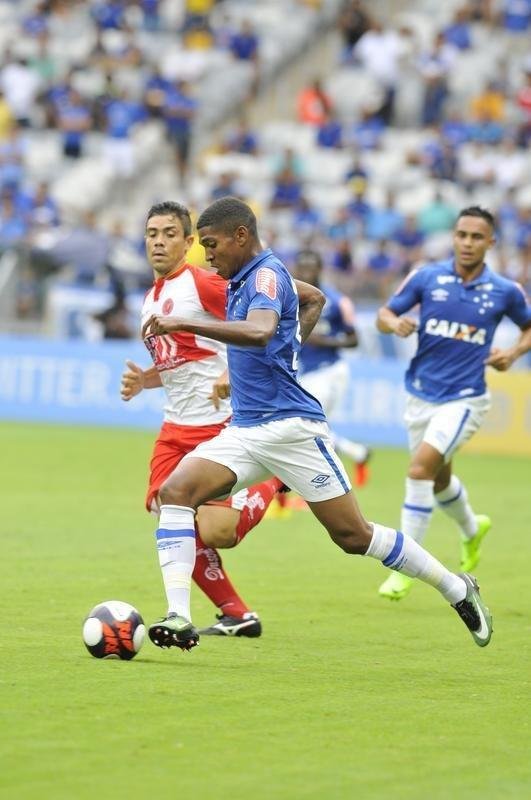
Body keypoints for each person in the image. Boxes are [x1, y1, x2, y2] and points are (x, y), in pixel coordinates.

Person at [141, 196, 494, 653]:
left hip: (291, 429)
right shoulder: (241, 275)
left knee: (354, 536)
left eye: (211, 245)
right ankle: (180, 616)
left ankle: (456, 588)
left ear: (240, 237)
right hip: (244, 431)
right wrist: (292, 348)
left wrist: (184, 323)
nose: (207, 255)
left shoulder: (264, 274)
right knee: (175, 493)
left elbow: (261, 329)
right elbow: (314, 298)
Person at [121, 200, 320, 637]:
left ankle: (270, 478)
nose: (159, 241)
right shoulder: (151, 298)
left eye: (170, 234)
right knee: (170, 519)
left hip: (218, 426)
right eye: (152, 233)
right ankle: (235, 614)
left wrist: (241, 367)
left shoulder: (203, 283)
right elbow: (187, 360)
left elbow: (292, 300)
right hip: (175, 429)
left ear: (189, 242)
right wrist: (147, 380)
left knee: (217, 531)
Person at [376, 206, 531, 600]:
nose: (467, 243)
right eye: (462, 235)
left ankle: (405, 568)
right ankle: (471, 528)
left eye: (477, 237)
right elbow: (384, 314)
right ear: (454, 237)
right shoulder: (427, 277)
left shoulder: (505, 291)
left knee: (419, 469)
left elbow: (528, 327)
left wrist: (512, 354)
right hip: (419, 393)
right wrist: (395, 324)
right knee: (438, 478)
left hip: (465, 398)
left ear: (491, 243)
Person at [293, 250, 371, 485]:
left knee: (304, 424)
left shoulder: (337, 301)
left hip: (329, 370)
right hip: (305, 371)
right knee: (310, 426)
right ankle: (357, 453)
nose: (306, 272)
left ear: (320, 270)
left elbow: (353, 339)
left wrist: (324, 341)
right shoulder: (290, 297)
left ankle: (320, 484)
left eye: (311, 267)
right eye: (302, 267)